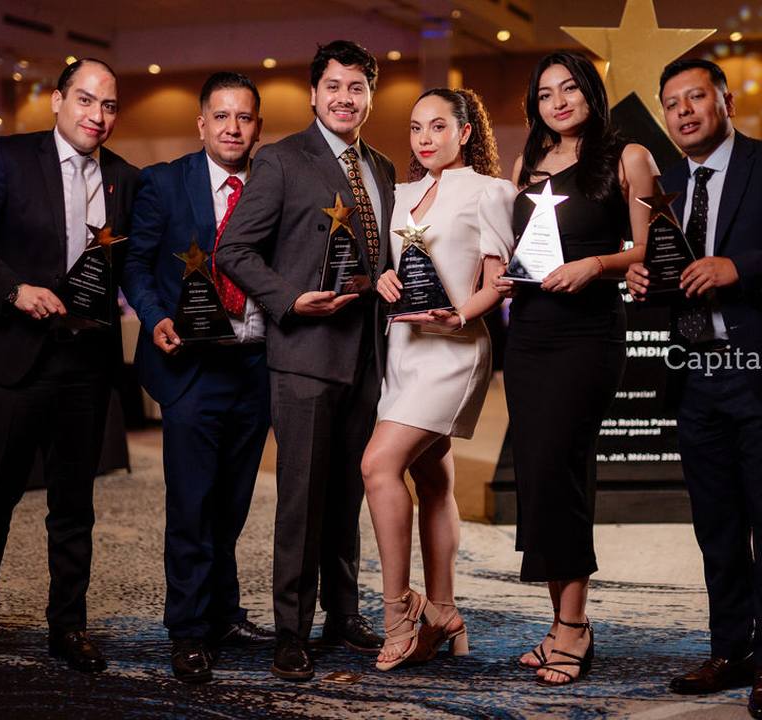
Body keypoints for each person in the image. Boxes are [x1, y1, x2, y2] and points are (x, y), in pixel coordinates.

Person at [626, 59, 762, 719]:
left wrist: (738, 269)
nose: (683, 111)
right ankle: (731, 652)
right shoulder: (667, 185)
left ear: (725, 101)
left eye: (695, 96)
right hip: (694, 376)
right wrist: (641, 283)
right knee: (716, 525)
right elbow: (670, 273)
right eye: (672, 103)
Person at [0, 58, 139, 681]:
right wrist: (14, 289)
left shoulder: (125, 178)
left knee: (74, 508)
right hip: (12, 359)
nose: (96, 115)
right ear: (57, 101)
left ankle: (68, 627)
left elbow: (132, 268)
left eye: (108, 106)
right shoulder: (9, 157)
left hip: (86, 364)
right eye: (85, 100)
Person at [215, 40, 395, 681]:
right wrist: (290, 299)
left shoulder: (382, 167)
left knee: (349, 493)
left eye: (357, 87)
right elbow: (233, 250)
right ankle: (290, 630)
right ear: (314, 94)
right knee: (301, 499)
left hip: (369, 357)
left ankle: (342, 613)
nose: (345, 98)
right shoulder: (283, 160)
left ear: (370, 97)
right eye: (334, 86)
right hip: (305, 355)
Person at [495, 51, 658, 686]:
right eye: (545, 94)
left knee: (563, 470)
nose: (558, 102)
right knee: (537, 474)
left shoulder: (628, 157)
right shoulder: (526, 164)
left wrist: (597, 265)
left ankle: (573, 626)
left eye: (569, 89)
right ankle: (563, 622)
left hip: (587, 334)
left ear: (591, 91)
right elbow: (518, 248)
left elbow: (650, 247)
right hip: (529, 333)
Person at [121, 72, 274, 685]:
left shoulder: (271, 182)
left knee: (233, 504)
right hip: (190, 366)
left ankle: (223, 614)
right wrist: (154, 315)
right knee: (192, 504)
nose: (233, 128)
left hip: (256, 365)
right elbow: (135, 264)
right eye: (222, 116)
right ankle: (187, 629)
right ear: (202, 122)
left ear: (257, 126)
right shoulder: (163, 182)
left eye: (244, 117)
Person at [361, 88, 514, 671]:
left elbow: (498, 282)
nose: (425, 138)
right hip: (403, 350)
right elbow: (392, 268)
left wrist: (461, 314)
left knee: (378, 465)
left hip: (454, 348)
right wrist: (382, 280)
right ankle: (445, 611)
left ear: (465, 132)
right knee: (433, 480)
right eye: (416, 128)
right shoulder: (399, 194)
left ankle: (398, 613)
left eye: (438, 126)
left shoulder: (488, 192)